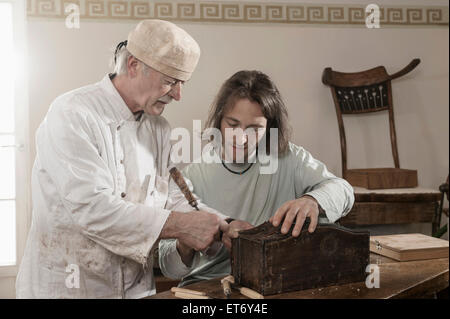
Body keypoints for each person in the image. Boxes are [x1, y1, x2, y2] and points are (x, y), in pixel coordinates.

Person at [16, 19, 229, 299]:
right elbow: (93, 209)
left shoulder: (159, 129)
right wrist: (182, 225)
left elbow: (179, 197)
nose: (178, 95)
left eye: (182, 83)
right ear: (133, 66)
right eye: (170, 81)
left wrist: (225, 224)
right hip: (70, 289)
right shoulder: (72, 114)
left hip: (135, 290)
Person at [158, 70, 355, 286]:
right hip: (209, 287)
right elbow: (170, 269)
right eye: (232, 125)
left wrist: (313, 201)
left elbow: (343, 190)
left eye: (254, 129)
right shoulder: (189, 179)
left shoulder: (290, 158)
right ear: (219, 120)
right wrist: (187, 240)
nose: (241, 138)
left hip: (276, 283)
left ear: (269, 127)